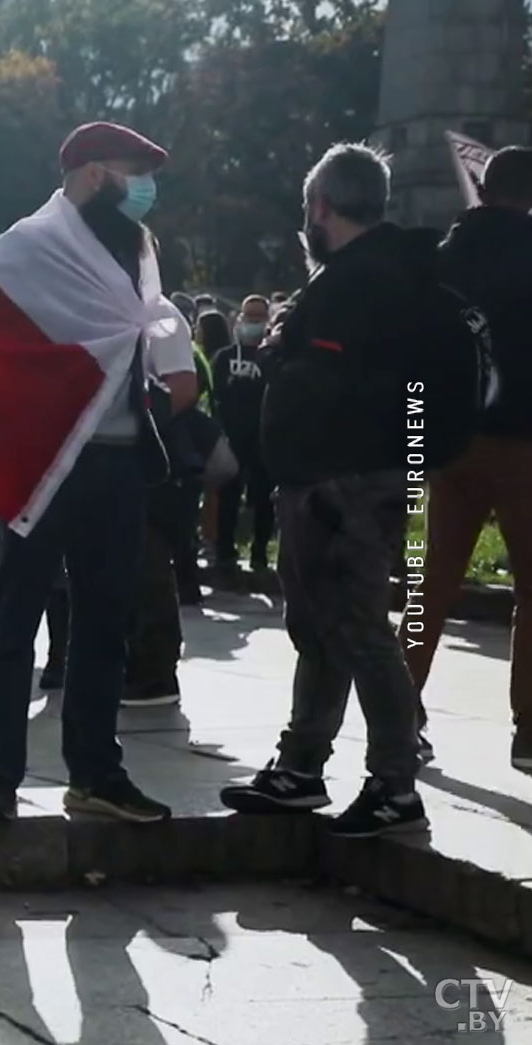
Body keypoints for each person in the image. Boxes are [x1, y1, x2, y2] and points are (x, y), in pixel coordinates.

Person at [0, 122, 197, 824]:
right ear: (94, 174)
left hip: (121, 463)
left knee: (104, 623)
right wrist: (6, 437)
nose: (143, 189)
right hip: (45, 468)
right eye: (133, 172)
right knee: (15, 620)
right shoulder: (27, 248)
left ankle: (96, 772)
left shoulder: (137, 252)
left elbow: (145, 343)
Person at [220, 143, 428, 837]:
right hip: (356, 476)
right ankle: (302, 766)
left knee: (359, 630)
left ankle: (394, 781)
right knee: (325, 629)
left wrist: (285, 351)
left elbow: (327, 385)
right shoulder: (397, 272)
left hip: (343, 482)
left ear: (320, 207)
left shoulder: (351, 283)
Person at [413, 146, 532, 769]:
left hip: (450, 439)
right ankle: (529, 728)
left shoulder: (442, 258)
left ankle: (401, 706)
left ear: (483, 190)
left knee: (432, 579)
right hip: (525, 442)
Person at [210, 298, 276, 575]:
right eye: (249, 317)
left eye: (259, 317)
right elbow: (215, 397)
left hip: (264, 439)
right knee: (228, 496)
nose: (253, 323)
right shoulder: (224, 357)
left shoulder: (273, 357)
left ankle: (260, 552)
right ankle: (224, 551)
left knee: (264, 499)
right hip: (231, 439)